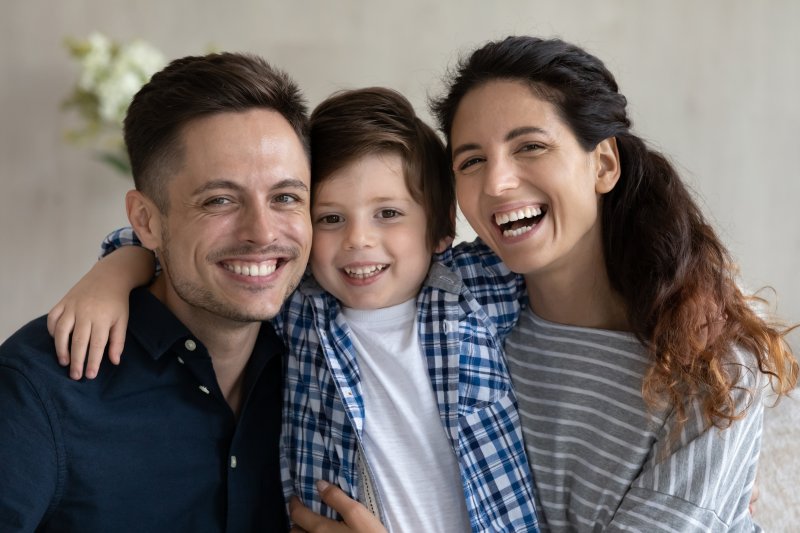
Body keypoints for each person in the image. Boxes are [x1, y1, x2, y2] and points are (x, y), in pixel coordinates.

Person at [46, 88, 540, 532]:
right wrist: (113, 272)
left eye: (388, 214)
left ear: (440, 229)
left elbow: (557, 246)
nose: (358, 240)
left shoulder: (472, 287)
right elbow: (178, 245)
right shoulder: (299, 306)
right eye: (329, 218)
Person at [429, 36, 798, 531]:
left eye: (530, 146)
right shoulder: (462, 336)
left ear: (603, 164)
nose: (496, 183)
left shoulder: (712, 362)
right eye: (471, 160)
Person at [0, 51, 312, 531]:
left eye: (286, 197)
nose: (262, 231)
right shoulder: (38, 388)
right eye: (220, 200)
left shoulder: (323, 367)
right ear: (145, 220)